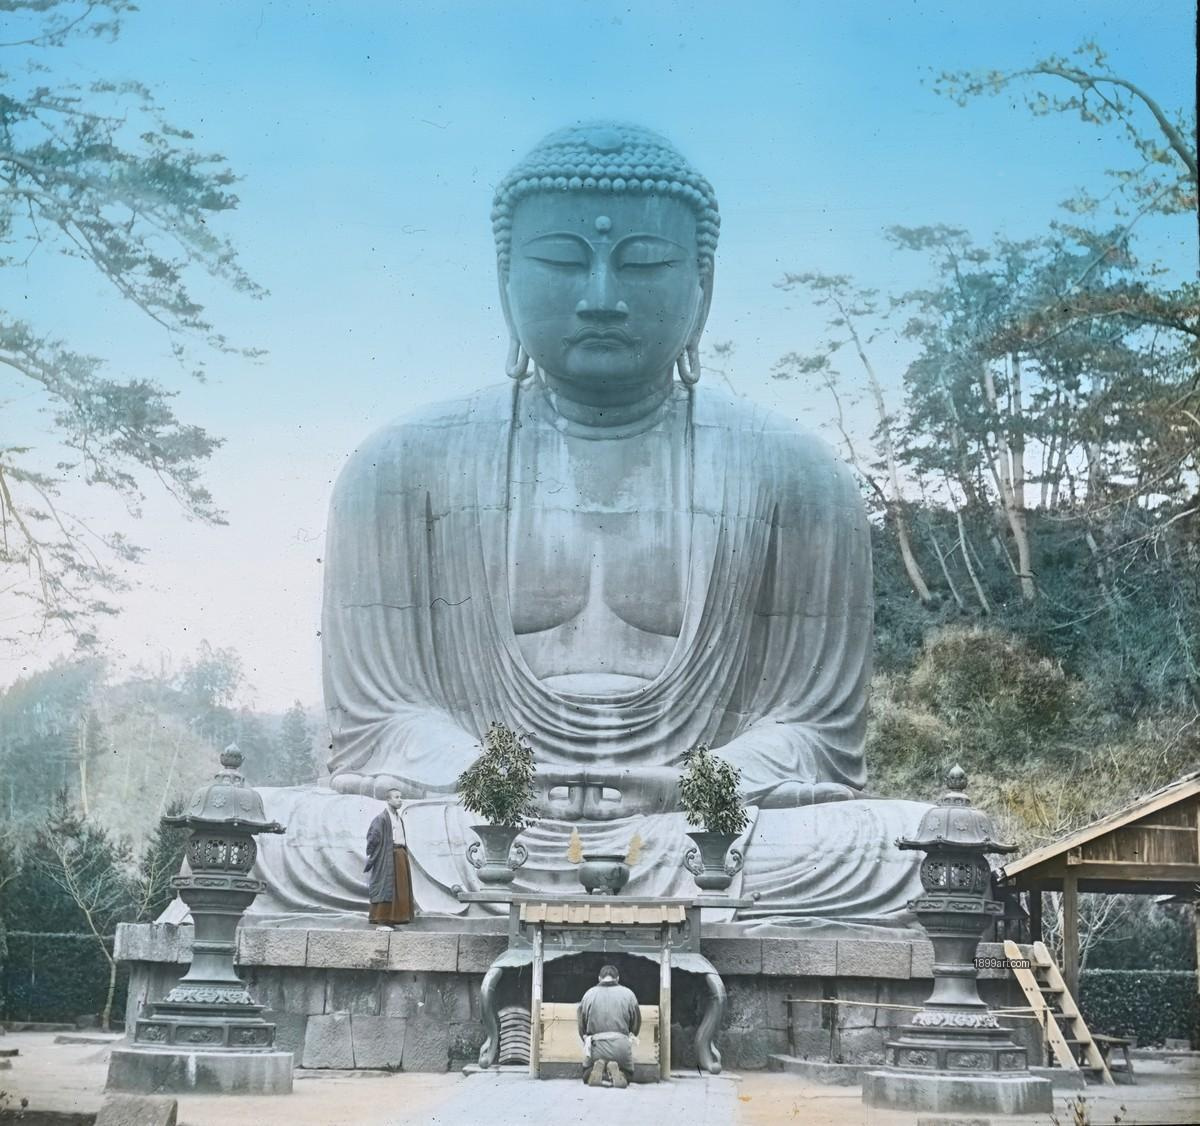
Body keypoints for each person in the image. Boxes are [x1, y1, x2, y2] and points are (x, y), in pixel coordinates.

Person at [249, 122, 930, 927]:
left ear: (702, 286)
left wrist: (693, 783)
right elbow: (377, 726)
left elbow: (815, 735)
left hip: (699, 826)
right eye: (563, 261)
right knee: (288, 836)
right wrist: (495, 782)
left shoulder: (797, 473)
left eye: (642, 263)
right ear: (505, 279)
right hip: (475, 823)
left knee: (907, 848)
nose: (601, 295)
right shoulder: (397, 467)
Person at [578, 965, 641, 1088]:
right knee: (629, 1074)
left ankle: (597, 1072)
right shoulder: (628, 994)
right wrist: (629, 1037)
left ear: (599, 978)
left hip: (596, 1047)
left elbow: (581, 1026)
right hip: (621, 1046)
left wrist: (587, 1041)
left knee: (585, 1074)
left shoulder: (588, 994)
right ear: (617, 978)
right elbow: (636, 1023)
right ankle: (619, 1073)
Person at [365, 787, 412, 928]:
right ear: (388, 800)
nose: (400, 799)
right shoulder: (381, 818)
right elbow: (373, 838)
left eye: (400, 797)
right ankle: (382, 919)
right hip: (387, 856)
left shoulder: (399, 818)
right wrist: (376, 854)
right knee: (386, 886)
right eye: (396, 797)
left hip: (400, 855)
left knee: (400, 888)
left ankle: (396, 918)